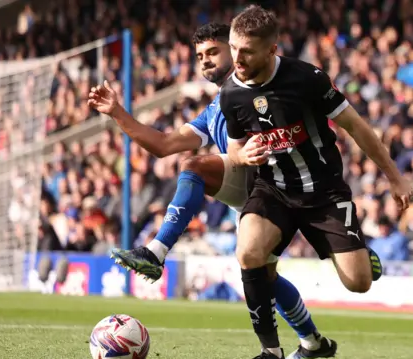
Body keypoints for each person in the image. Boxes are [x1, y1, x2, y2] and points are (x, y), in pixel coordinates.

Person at [88, 23, 341, 359]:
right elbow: (164, 145)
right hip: (255, 193)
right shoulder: (215, 109)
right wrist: (118, 113)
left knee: (263, 273)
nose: (204, 61)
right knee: (260, 271)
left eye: (212, 52)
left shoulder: (266, 88)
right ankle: (312, 344)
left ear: (235, 49)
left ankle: (157, 251)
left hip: (290, 191)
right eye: (199, 56)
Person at [220, 6, 413, 359]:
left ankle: (359, 255)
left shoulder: (307, 78)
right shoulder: (231, 93)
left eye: (246, 50)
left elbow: (356, 127)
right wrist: (241, 156)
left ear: (271, 49)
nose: (237, 57)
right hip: (273, 190)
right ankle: (271, 351)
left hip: (324, 192)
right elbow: (234, 151)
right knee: (248, 254)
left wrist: (395, 179)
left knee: (358, 283)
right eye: (233, 47)